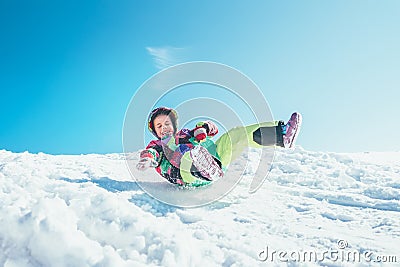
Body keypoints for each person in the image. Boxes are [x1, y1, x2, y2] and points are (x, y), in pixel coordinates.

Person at [136, 107, 302, 187]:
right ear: (156, 132)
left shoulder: (187, 133)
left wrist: (203, 127)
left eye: (167, 123)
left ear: (174, 125)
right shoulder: (158, 144)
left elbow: (213, 129)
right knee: (185, 154)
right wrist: (148, 159)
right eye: (159, 126)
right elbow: (152, 153)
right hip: (185, 175)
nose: (164, 127)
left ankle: (282, 135)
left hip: (214, 161)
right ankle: (201, 167)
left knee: (236, 135)